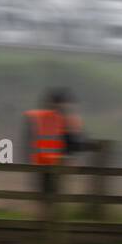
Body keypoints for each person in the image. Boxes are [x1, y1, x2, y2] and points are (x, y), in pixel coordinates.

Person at [23, 89, 90, 217]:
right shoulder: (67, 118)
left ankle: (44, 219)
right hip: (56, 162)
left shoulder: (38, 116)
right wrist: (72, 155)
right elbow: (75, 142)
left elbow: (30, 139)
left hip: (42, 162)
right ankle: (48, 219)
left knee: (46, 194)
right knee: (53, 194)